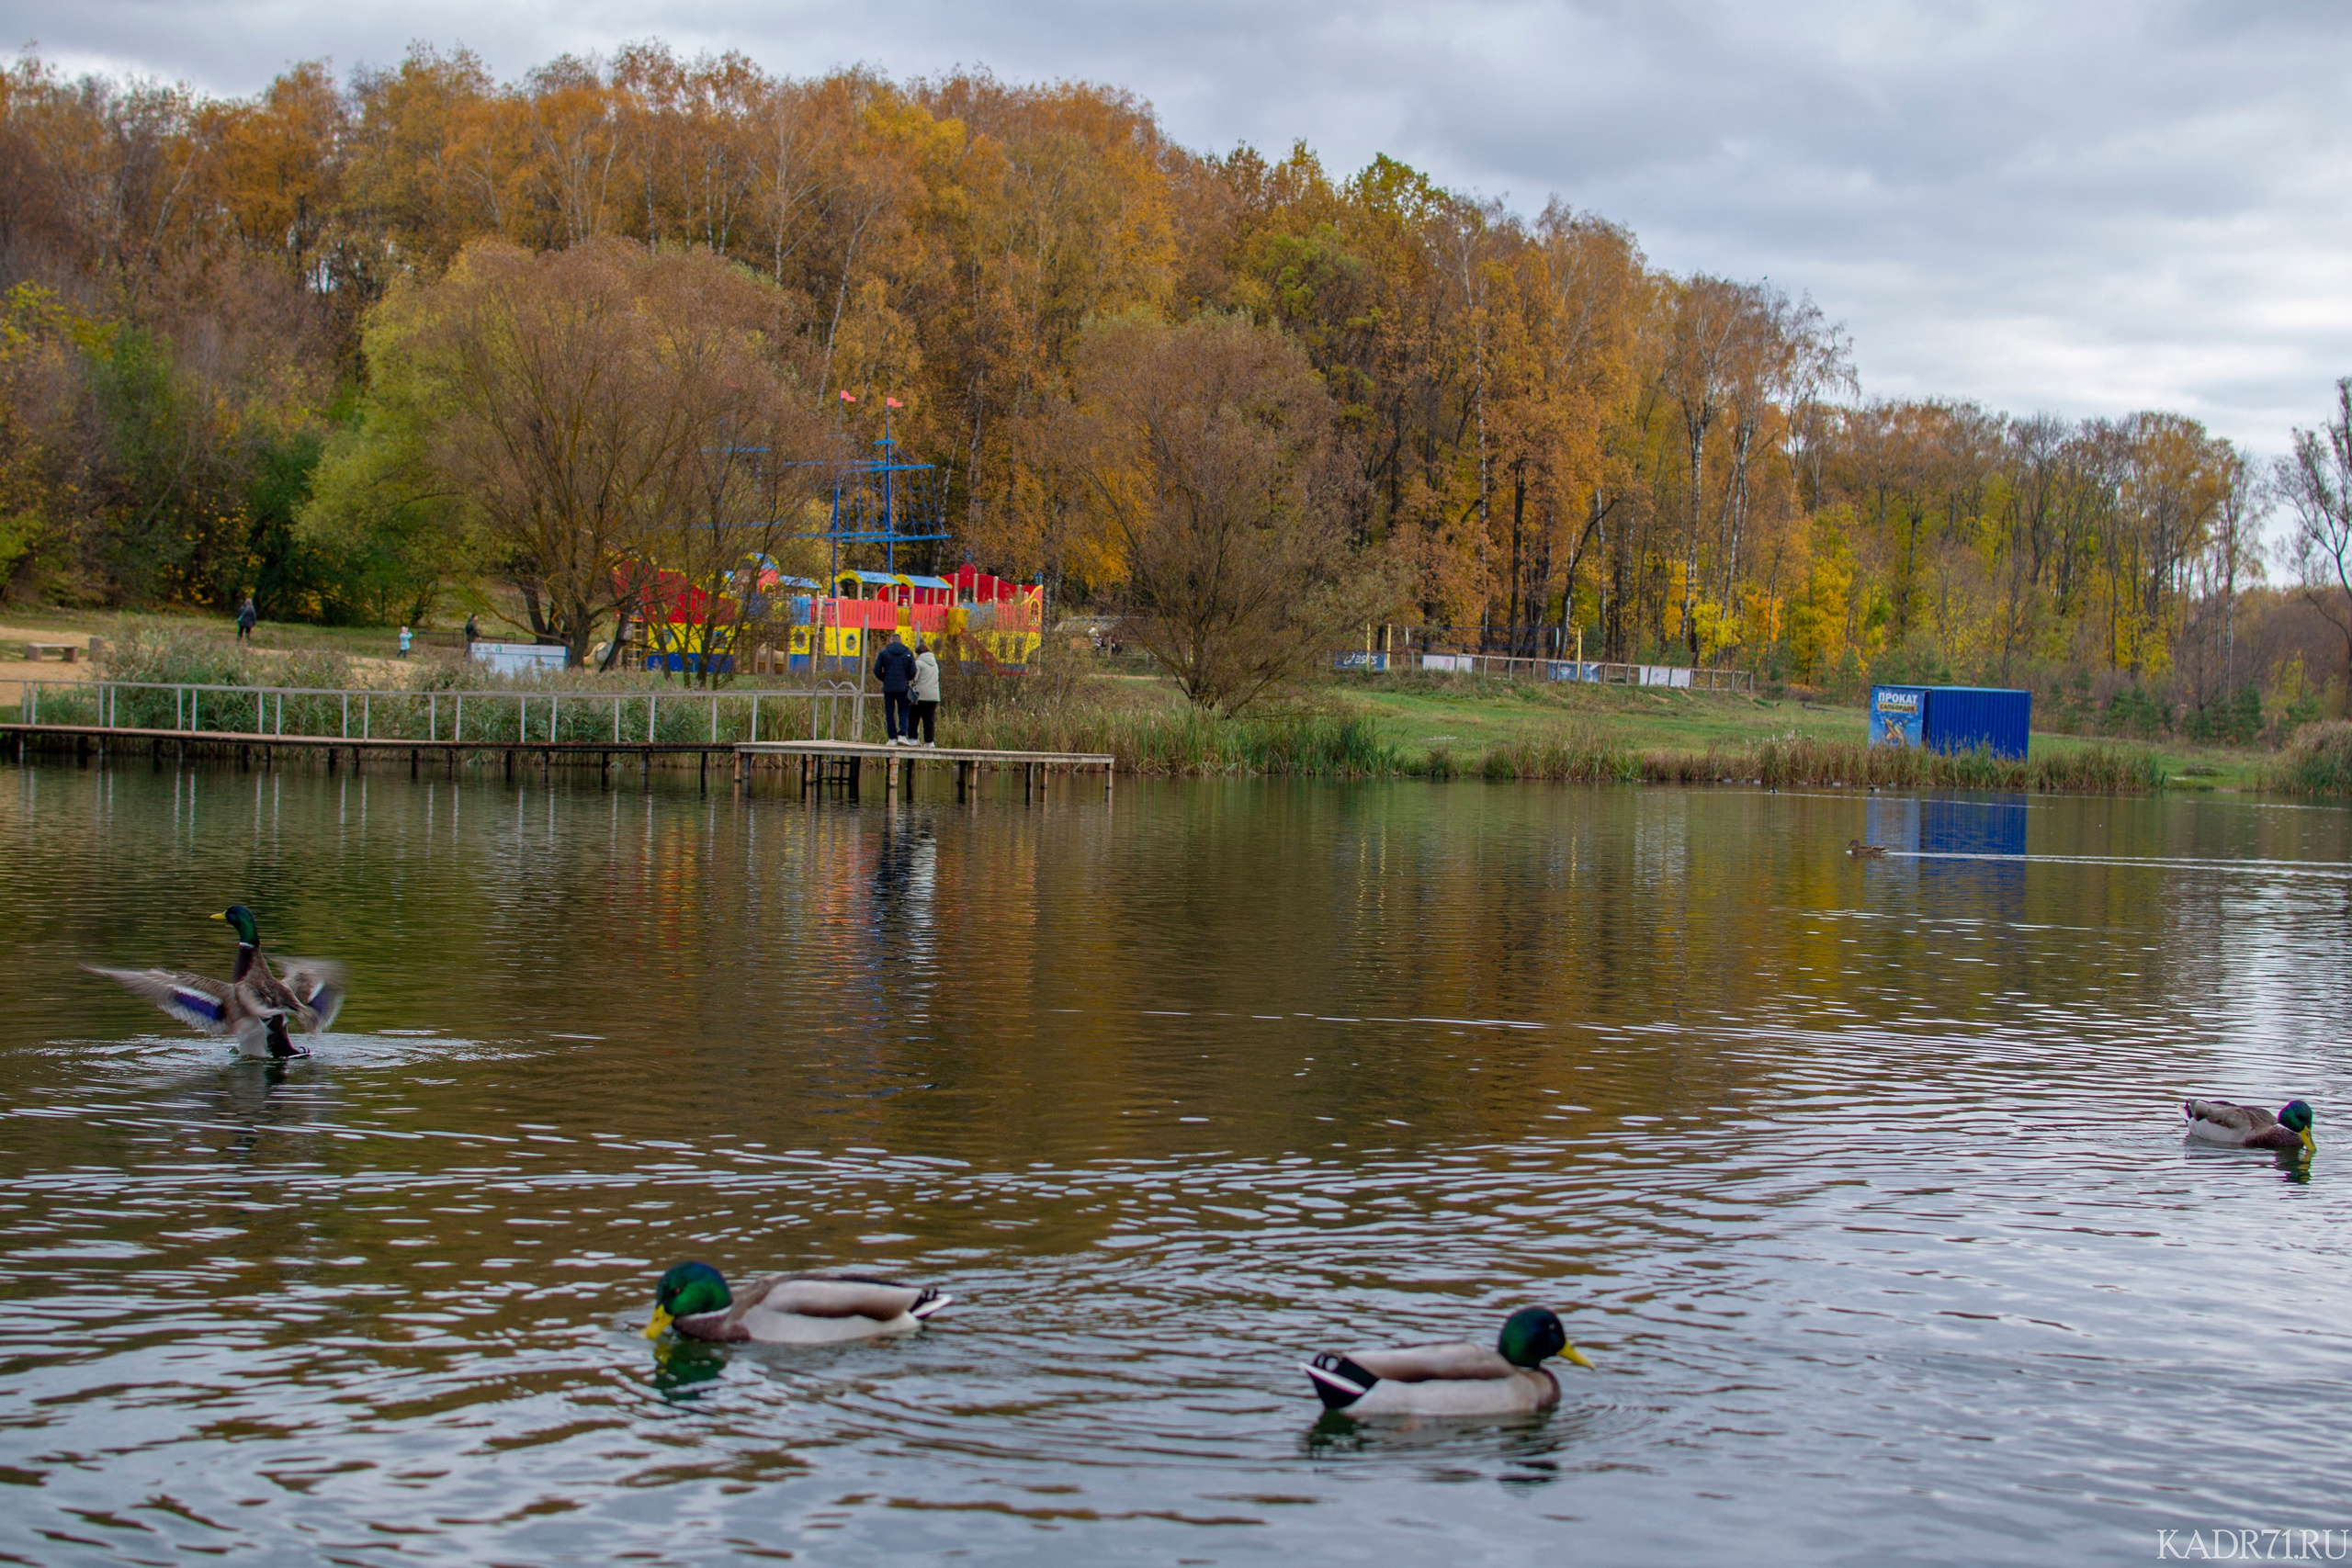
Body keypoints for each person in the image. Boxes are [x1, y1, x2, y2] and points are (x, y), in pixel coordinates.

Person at [872, 630, 916, 744]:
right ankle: (902, 734)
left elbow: (876, 670)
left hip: (888, 687)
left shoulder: (884, 652)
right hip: (903, 687)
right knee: (904, 711)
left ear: (890, 641)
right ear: (901, 641)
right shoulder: (908, 653)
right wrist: (907, 679)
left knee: (889, 712)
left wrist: (884, 678)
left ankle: (892, 738)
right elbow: (913, 671)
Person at [910, 639, 941, 748]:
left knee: (914, 716)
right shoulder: (935, 663)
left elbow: (915, 678)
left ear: (918, 654)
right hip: (933, 696)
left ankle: (913, 738)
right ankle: (929, 741)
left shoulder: (918, 663)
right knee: (929, 719)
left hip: (920, 695)